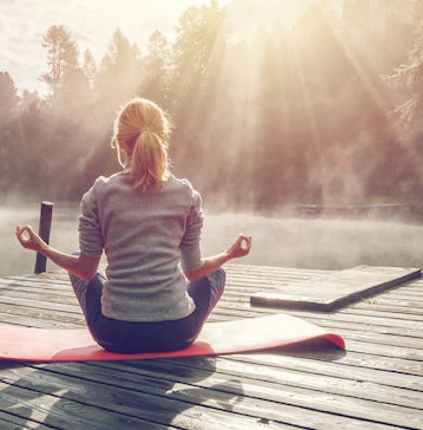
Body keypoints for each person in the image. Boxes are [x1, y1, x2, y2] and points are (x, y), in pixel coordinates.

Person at [16, 97, 251, 353]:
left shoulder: (99, 194)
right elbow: (194, 271)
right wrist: (230, 254)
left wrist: (42, 248)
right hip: (178, 334)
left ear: (119, 142)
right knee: (215, 272)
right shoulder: (187, 195)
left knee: (80, 262)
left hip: (115, 335)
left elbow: (85, 270)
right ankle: (169, 305)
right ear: (163, 139)